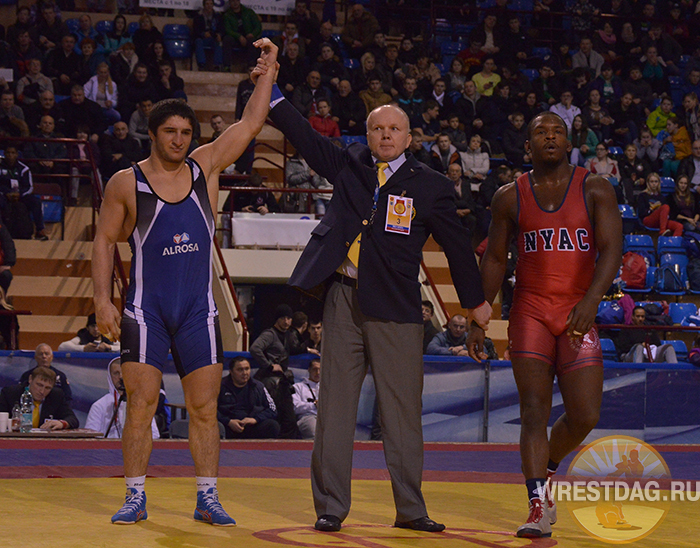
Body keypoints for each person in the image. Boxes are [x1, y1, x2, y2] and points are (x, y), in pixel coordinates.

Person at [262, 50, 491, 530]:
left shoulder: (429, 186)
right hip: (343, 299)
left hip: (398, 309)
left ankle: (411, 510)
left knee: (402, 414)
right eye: (376, 129)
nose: (384, 136)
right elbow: (302, 134)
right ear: (367, 136)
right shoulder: (349, 166)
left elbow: (457, 249)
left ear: (409, 137)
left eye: (393, 129)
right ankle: (330, 508)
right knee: (335, 411)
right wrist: (272, 86)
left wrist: (475, 303)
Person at [91, 38, 278, 526]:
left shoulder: (205, 167)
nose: (178, 139)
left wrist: (269, 72)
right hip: (145, 311)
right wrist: (102, 302)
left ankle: (207, 496)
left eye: (185, 132)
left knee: (203, 406)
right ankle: (134, 494)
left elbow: (251, 123)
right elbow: (104, 242)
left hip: (199, 311)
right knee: (141, 405)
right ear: (152, 134)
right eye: (170, 132)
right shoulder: (125, 182)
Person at [475, 111, 622, 537]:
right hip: (531, 311)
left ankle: (549, 471)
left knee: (584, 415)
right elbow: (496, 259)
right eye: (541, 132)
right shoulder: (509, 196)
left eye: (558, 131)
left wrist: (592, 300)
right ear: (529, 145)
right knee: (533, 410)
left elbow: (612, 249)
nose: (551, 137)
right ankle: (537, 503)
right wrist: (480, 314)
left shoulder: (594, 187)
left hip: (578, 309)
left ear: (570, 140)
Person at [249, 303, 301, 439]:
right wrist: (269, 365)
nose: (286, 321)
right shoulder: (270, 334)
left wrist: (308, 349)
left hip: (282, 382)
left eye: (289, 318)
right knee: (275, 414)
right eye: (283, 318)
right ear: (277, 319)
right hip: (270, 381)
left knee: (288, 418)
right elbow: (255, 348)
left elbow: (293, 349)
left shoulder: (288, 335)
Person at [85, 358, 159, 438]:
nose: (121, 376)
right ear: (110, 376)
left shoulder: (142, 404)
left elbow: (154, 435)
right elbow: (90, 436)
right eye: (116, 373)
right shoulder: (99, 406)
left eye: (124, 372)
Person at [217, 356, 279, 439]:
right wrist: (228, 421)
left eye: (247, 369)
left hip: (251, 426)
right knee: (217, 426)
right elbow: (209, 409)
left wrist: (255, 419)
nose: (245, 373)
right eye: (240, 370)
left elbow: (272, 409)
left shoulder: (258, 386)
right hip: (228, 426)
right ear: (231, 372)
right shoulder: (219, 387)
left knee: (272, 425)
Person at [0, 366, 78, 430]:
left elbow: (73, 419)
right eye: (39, 385)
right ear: (30, 379)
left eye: (47, 388)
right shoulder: (10, 393)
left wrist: (62, 423)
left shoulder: (56, 395)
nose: (42, 391)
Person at [0, 145, 48, 241]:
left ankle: (39, 230)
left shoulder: (24, 169)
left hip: (20, 194)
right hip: (3, 194)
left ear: (17, 154)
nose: (10, 155)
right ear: (4, 154)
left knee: (36, 202)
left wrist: (19, 194)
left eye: (13, 153)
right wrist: (7, 193)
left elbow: (29, 187)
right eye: (8, 153)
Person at [292, 358, 320, 438]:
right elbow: (295, 407)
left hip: (327, 418)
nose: (318, 372)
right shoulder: (298, 387)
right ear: (309, 370)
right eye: (315, 369)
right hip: (307, 417)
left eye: (320, 369)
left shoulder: (328, 387)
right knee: (314, 430)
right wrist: (314, 405)